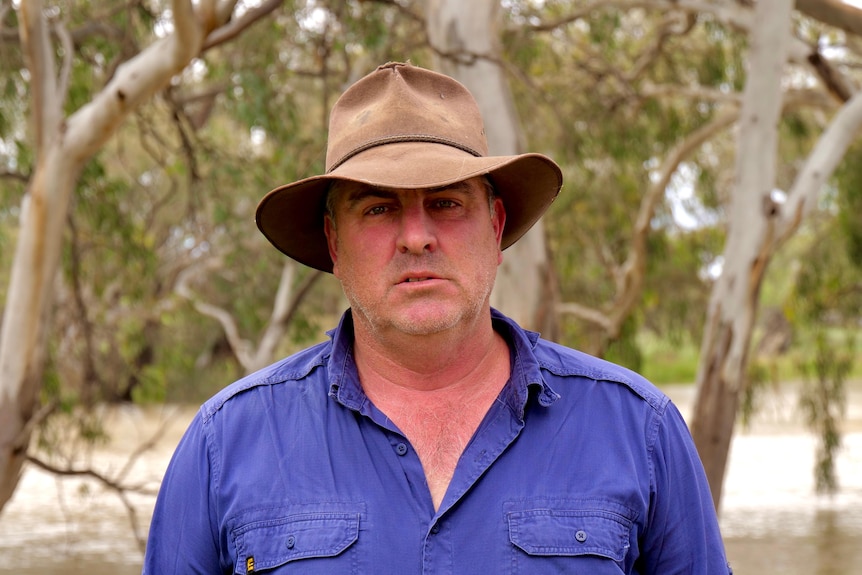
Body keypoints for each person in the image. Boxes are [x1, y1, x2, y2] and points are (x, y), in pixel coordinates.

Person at [143, 61, 731, 574]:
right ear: (333, 242)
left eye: (446, 202)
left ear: (497, 227)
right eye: (378, 208)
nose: (417, 237)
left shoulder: (639, 430)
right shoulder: (224, 444)